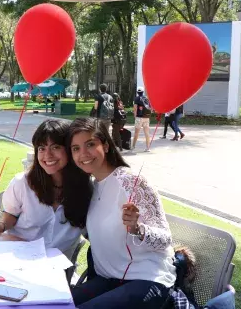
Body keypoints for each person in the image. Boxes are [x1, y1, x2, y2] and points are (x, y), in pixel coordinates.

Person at [68, 117, 176, 309]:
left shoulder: (131, 182)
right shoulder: (92, 187)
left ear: (106, 145)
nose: (83, 153)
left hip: (146, 279)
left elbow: (165, 239)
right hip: (109, 279)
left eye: (90, 144)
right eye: (75, 148)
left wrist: (137, 228)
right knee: (55, 303)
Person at [0, 119, 92, 258]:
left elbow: (93, 230)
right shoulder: (22, 183)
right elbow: (10, 216)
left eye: (55, 147)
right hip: (18, 257)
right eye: (41, 148)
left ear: (69, 149)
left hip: (57, 266)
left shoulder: (86, 188)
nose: (47, 155)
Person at [132, 86, 151, 152]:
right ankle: (148, 148)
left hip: (139, 117)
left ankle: (133, 147)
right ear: (143, 92)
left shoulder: (137, 98)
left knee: (136, 133)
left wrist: (135, 116)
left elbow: (135, 108)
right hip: (146, 117)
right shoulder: (146, 98)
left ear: (137, 92)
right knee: (147, 133)